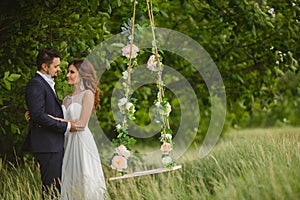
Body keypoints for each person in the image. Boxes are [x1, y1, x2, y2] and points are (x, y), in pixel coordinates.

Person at [23, 48, 83, 198]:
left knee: (56, 188)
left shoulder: (46, 83)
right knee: (51, 190)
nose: (59, 69)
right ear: (45, 66)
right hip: (47, 145)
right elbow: (39, 115)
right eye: (56, 66)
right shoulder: (36, 84)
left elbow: (43, 112)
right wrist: (67, 126)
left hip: (54, 144)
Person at [49, 60, 106, 199]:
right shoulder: (67, 99)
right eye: (68, 72)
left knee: (84, 178)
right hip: (68, 142)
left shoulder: (88, 94)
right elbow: (63, 121)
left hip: (82, 142)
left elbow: (81, 124)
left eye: (72, 72)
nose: (68, 75)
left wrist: (54, 120)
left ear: (82, 75)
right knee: (70, 178)